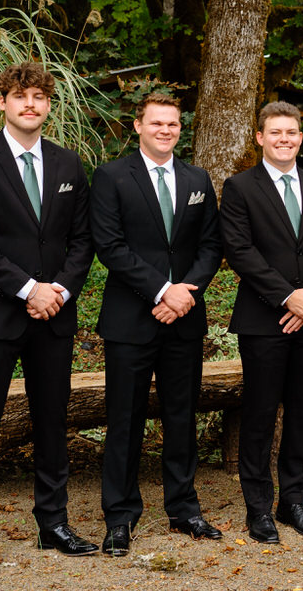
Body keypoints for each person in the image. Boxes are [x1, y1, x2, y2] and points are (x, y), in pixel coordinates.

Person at [0, 61, 95, 577]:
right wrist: (27, 288)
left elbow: (82, 241)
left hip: (53, 316)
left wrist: (58, 291)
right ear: (4, 103)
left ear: (48, 104)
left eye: (39, 97)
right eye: (20, 96)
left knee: (52, 422)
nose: (30, 104)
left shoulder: (68, 165)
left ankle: (53, 524)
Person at [90, 92, 223, 556]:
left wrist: (185, 292)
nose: (165, 130)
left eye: (173, 125)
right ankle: (120, 515)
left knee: (181, 417)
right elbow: (109, 246)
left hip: (184, 319)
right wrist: (161, 290)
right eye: (157, 123)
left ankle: (184, 507)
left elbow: (211, 246)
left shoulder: (197, 178)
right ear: (138, 126)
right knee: (124, 420)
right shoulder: (110, 177)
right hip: (131, 319)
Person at [221, 102, 303, 544]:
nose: (284, 139)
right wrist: (286, 297)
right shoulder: (239, 188)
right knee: (259, 415)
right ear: (259, 137)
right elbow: (240, 251)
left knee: (302, 414)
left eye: (291, 132)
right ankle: (259, 508)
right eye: (275, 132)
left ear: (300, 137)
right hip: (263, 319)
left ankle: (293, 501)